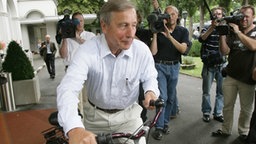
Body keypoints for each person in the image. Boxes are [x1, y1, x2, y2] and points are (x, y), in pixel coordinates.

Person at [56, 0, 160, 144]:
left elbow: (150, 77)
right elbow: (67, 89)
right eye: (123, 25)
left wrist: (151, 92)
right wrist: (74, 129)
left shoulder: (142, 51)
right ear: (104, 26)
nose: (131, 34)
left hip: (129, 118)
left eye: (134, 25)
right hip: (94, 119)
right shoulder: (87, 51)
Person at [212, 5, 256, 143]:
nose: (243, 19)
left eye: (247, 16)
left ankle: (243, 132)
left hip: (248, 78)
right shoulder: (233, 31)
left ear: (253, 17)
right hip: (231, 75)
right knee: (227, 105)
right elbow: (225, 51)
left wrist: (238, 33)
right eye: (241, 16)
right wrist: (222, 35)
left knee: (246, 109)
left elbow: (253, 46)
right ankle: (225, 130)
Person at [150, 1, 191, 140]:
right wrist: (155, 33)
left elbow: (183, 49)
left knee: (171, 98)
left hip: (174, 67)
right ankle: (159, 127)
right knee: (163, 98)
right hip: (160, 66)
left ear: (177, 15)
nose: (171, 16)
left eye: (173, 14)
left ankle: (165, 123)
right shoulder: (159, 29)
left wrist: (169, 36)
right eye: (168, 14)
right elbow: (154, 52)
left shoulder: (182, 31)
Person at [198, 7, 226, 123]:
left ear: (222, 16)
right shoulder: (207, 26)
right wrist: (212, 27)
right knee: (206, 91)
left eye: (219, 14)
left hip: (222, 63)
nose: (217, 16)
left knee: (221, 91)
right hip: (209, 64)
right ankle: (206, 112)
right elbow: (202, 38)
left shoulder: (226, 28)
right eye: (215, 14)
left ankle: (218, 113)